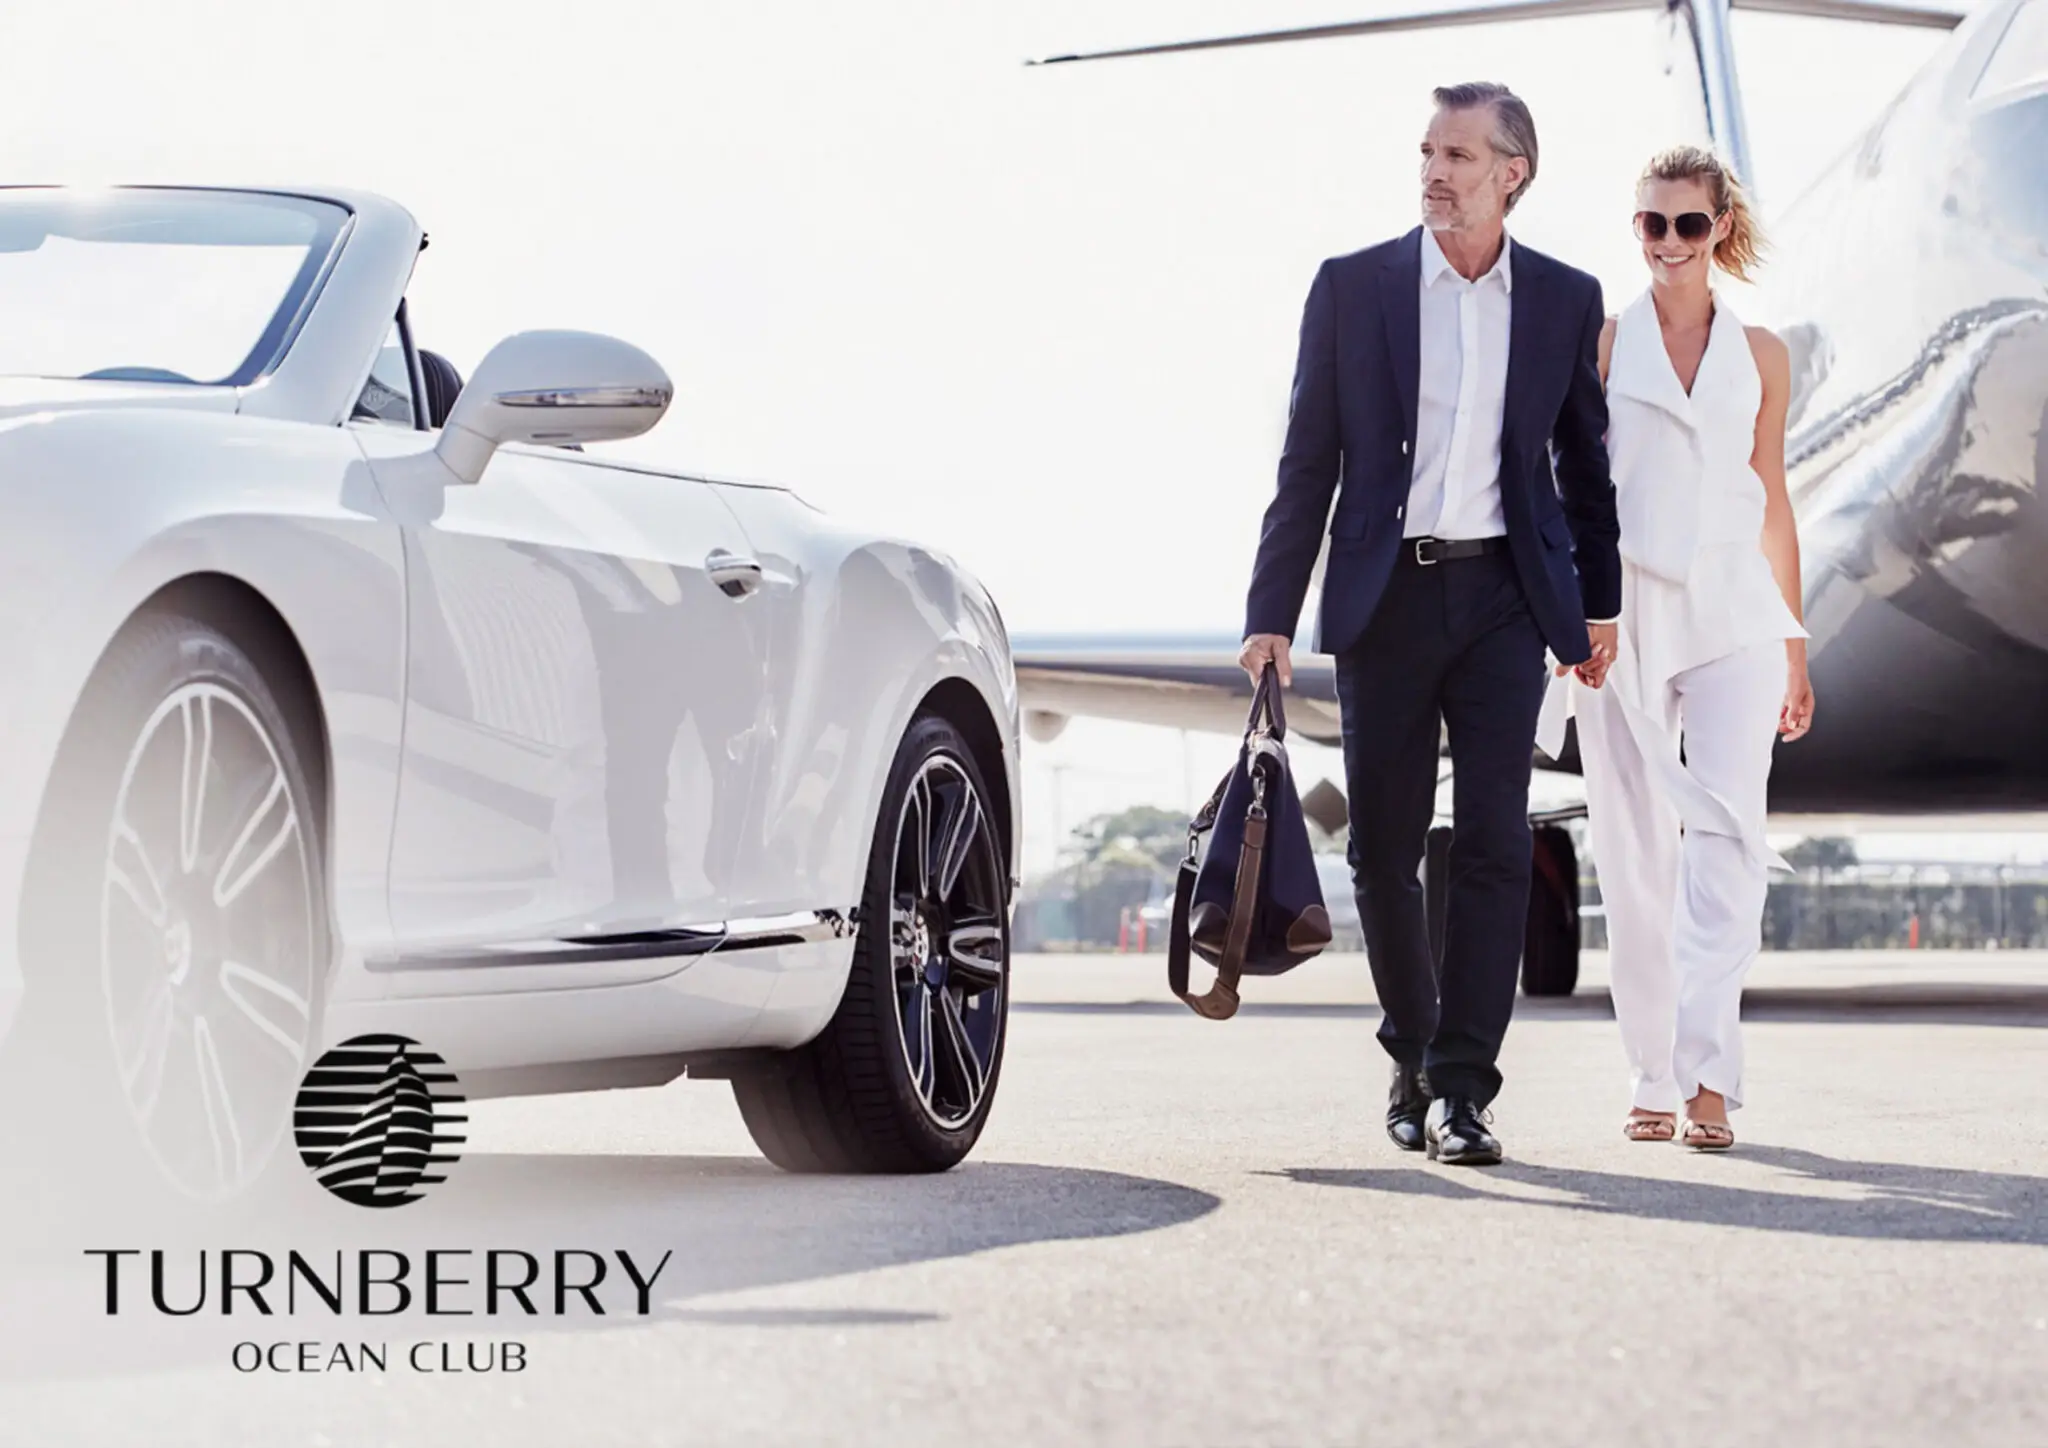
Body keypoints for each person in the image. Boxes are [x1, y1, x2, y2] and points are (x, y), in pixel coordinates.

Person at [1240, 82, 1621, 1167]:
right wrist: (1270, 610)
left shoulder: (1560, 297)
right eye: (1425, 151)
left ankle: (1461, 1086)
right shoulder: (1353, 287)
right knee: (1381, 848)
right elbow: (1305, 458)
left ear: (1512, 172)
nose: (1433, 171)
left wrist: (1595, 608)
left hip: (1506, 600)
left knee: (1497, 843)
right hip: (1385, 596)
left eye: (1457, 153)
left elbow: (1582, 472)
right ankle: (1409, 1047)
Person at [1534, 145, 1814, 1152]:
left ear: (1718, 231)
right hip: (1626, 616)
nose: (1664, 243)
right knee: (1633, 846)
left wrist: (1794, 641)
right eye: (1648, 224)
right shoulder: (1603, 344)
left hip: (1737, 609)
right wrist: (1574, 620)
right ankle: (1649, 1072)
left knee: (1731, 841)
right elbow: (1571, 489)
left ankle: (1708, 1080)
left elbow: (1770, 498)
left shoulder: (1765, 355)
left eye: (1684, 225)